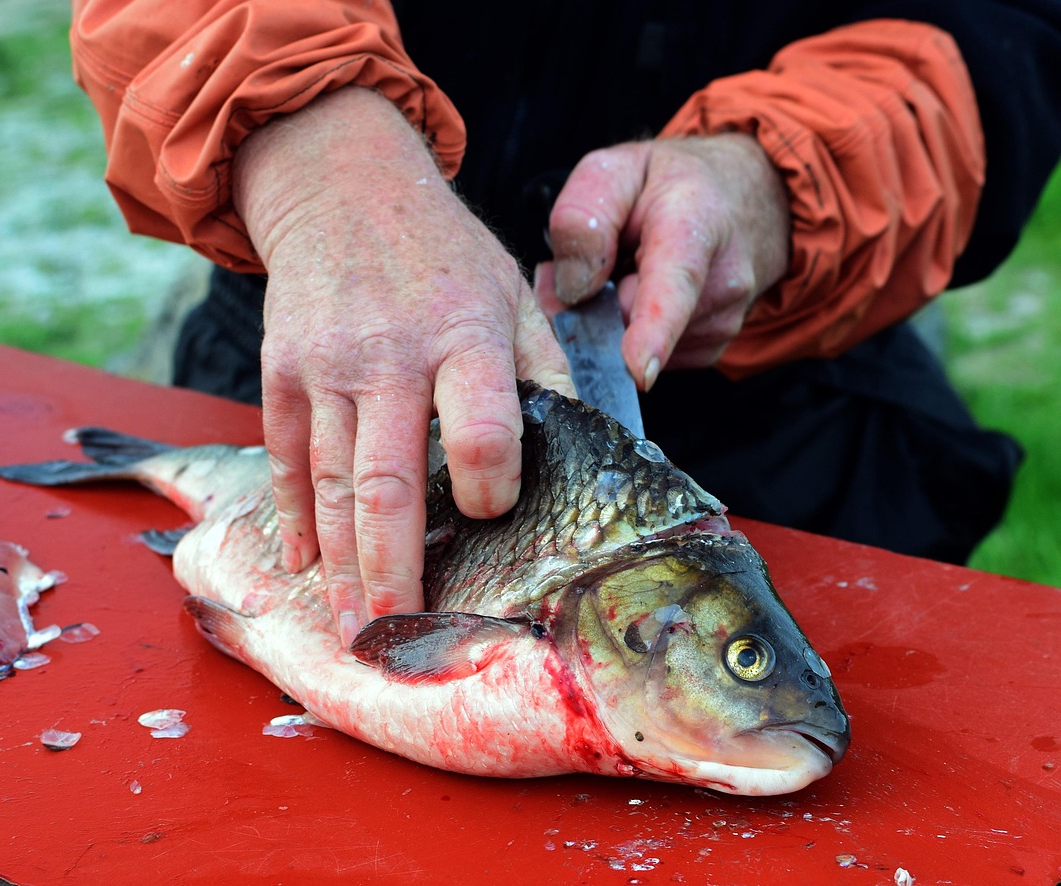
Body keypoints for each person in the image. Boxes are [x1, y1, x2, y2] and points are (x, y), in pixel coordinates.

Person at [70, 1, 1061, 647]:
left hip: (800, 412)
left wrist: (786, 177)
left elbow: (1004, 32)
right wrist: (315, 160)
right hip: (299, 365)